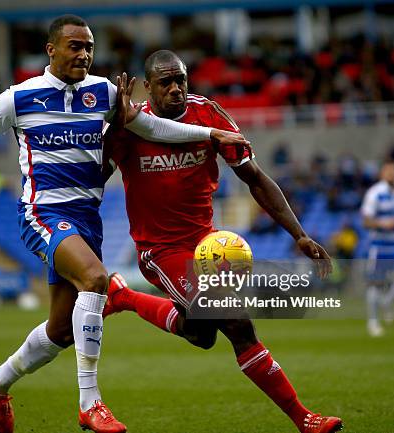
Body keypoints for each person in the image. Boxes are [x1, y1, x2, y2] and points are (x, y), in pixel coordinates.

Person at [0, 16, 248, 433]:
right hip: (43, 213)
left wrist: (211, 136)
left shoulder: (104, 92)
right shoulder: (19, 98)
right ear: (51, 50)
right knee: (96, 280)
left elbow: (152, 126)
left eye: (89, 47)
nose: (84, 54)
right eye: (75, 46)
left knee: (62, 331)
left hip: (85, 219)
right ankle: (90, 403)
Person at [101, 50, 343, 433]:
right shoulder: (130, 127)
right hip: (160, 250)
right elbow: (95, 177)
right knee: (236, 321)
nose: (177, 88)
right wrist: (112, 124)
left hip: (207, 244)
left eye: (181, 79)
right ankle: (305, 419)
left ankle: (123, 296)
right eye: (166, 82)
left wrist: (299, 234)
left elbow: (256, 178)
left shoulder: (209, 115)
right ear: (148, 87)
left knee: (201, 334)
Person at [361, 160, 394, 337]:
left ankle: (386, 302)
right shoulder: (375, 193)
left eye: (393, 171)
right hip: (381, 245)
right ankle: (373, 321)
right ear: (383, 174)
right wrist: (383, 223)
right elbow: (366, 221)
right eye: (387, 172)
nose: (391, 174)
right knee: (376, 283)